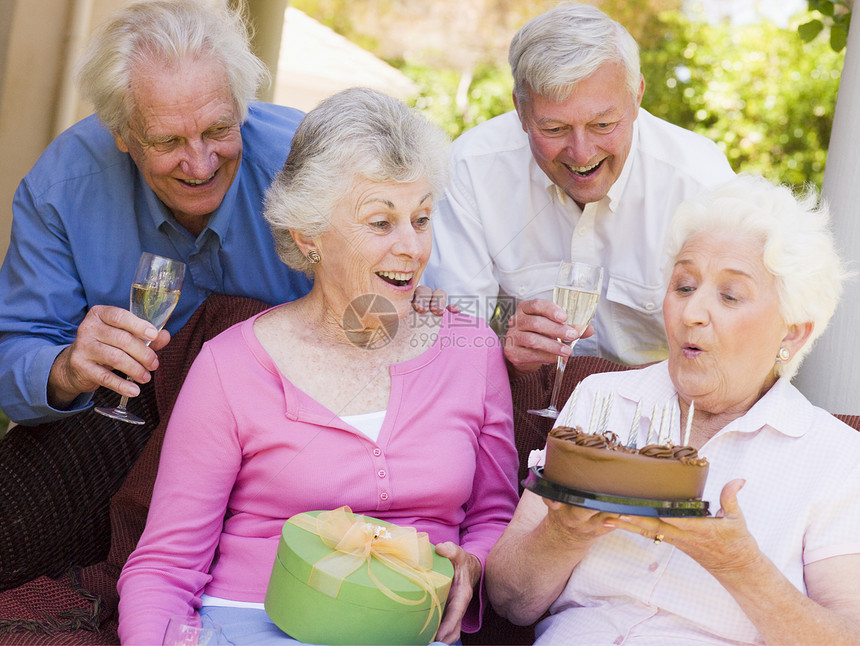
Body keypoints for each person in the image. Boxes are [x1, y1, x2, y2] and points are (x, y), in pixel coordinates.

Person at [116, 88, 520, 646]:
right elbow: (164, 565)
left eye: (421, 218)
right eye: (381, 222)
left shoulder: (470, 350)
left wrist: (472, 565)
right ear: (309, 235)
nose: (412, 247)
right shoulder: (231, 365)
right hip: (250, 621)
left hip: (406, 627)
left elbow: (495, 517)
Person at [0, 0, 446, 427]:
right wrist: (66, 370)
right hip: (127, 411)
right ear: (121, 133)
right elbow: (14, 353)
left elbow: (384, 302)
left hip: (295, 407)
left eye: (217, 129)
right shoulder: (62, 187)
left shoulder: (314, 169)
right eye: (168, 142)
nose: (200, 164)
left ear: (240, 107)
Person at [485, 174, 860, 645]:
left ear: (792, 333)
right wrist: (565, 531)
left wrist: (740, 567)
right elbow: (509, 601)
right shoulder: (601, 400)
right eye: (684, 286)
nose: (692, 314)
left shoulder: (840, 457)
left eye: (729, 295)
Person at [422, 1, 735, 375]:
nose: (581, 153)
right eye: (554, 129)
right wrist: (504, 338)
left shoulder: (700, 182)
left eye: (603, 124)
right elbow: (456, 328)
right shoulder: (470, 168)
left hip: (665, 403)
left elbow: (735, 344)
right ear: (520, 113)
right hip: (520, 392)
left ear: (636, 98)